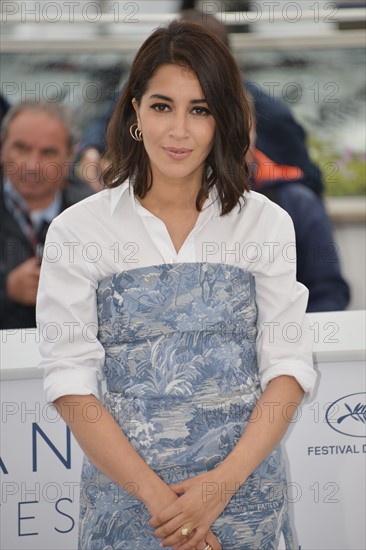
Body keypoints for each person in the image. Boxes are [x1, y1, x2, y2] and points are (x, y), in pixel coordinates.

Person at [37, 21, 317, 549]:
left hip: (244, 502)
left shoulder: (266, 223)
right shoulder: (77, 231)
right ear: (135, 111)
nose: (179, 131)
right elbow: (71, 383)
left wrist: (217, 489)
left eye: (200, 109)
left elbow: (288, 365)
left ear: (223, 119)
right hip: (132, 513)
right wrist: (168, 509)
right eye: (162, 106)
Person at [0, 100, 92, 329]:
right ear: (3, 148)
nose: (32, 165)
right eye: (22, 148)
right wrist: (7, 288)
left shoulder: (92, 213)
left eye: (48, 152)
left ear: (70, 156)